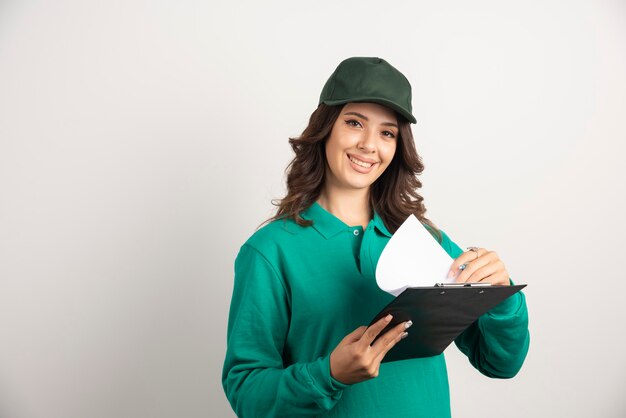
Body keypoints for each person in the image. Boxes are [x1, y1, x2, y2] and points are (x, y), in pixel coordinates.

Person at [221, 56, 530, 417]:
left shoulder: (426, 241)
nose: (370, 145)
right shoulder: (270, 251)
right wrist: (329, 374)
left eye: (387, 132)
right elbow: (246, 392)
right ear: (326, 128)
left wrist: (501, 296)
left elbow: (500, 363)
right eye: (355, 123)